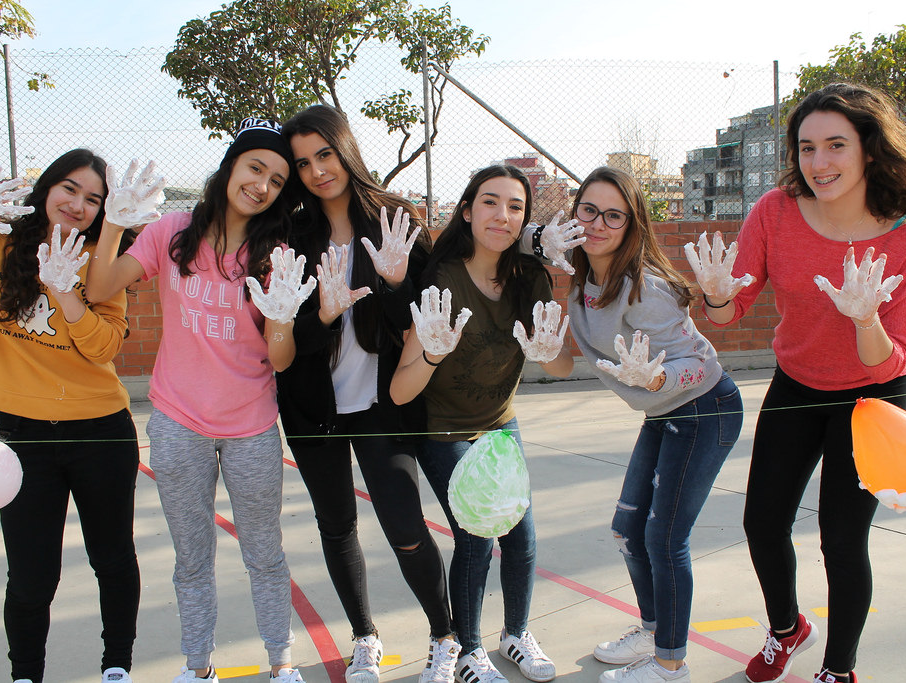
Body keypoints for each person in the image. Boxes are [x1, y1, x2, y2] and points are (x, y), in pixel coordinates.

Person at [685, 82, 906, 683]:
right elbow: (729, 312)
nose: (818, 163)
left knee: (842, 540)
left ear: (869, 151)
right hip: (797, 383)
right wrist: (717, 296)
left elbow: (889, 358)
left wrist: (865, 317)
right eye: (805, 148)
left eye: (835, 146)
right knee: (762, 522)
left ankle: (838, 669)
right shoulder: (774, 211)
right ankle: (786, 630)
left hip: (873, 398)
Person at [85, 118, 304, 683]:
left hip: (251, 425)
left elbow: (280, 360)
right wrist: (115, 222)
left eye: (277, 180)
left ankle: (281, 662)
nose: (262, 185)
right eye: (256, 168)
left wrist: (281, 315)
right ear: (231, 165)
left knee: (265, 553)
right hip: (179, 422)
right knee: (192, 558)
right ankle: (198, 665)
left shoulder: (276, 252)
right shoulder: (173, 233)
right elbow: (100, 288)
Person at [0, 150, 141, 683]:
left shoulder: (102, 261)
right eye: (69, 189)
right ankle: (26, 674)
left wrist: (69, 292)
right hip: (21, 437)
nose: (78, 205)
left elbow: (103, 348)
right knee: (30, 576)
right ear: (47, 188)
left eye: (94, 199)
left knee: (112, 559)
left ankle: (116, 666)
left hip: (100, 431)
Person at [277, 104, 459, 683]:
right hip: (314, 409)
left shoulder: (393, 219)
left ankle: (445, 635)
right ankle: (364, 638)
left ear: (346, 150)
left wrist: (398, 279)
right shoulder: (292, 233)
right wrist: (323, 315)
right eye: (303, 162)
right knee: (336, 526)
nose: (316, 171)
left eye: (325, 155)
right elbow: (287, 334)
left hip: (383, 404)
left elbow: (421, 318)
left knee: (405, 526)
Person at [560, 167, 744, 683]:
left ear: (631, 225)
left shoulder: (647, 291)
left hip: (703, 407)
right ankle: (653, 628)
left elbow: (700, 365)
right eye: (588, 210)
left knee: (664, 537)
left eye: (613, 215)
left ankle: (670, 664)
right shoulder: (584, 284)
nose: (597, 223)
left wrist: (659, 376)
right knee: (627, 531)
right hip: (665, 414)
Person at [391, 164, 574, 683]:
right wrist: (429, 353)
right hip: (446, 429)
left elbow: (560, 367)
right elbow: (400, 389)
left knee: (522, 536)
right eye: (490, 202)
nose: (502, 215)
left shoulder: (532, 278)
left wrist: (548, 351)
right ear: (467, 212)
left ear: (525, 221)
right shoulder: (442, 281)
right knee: (477, 534)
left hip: (500, 424)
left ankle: (515, 634)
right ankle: (469, 652)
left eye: (515, 206)